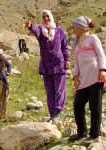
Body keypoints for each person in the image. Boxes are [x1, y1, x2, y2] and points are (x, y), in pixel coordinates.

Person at [25, 10, 70, 123]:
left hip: (59, 63)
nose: (45, 19)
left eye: (47, 16)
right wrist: (30, 27)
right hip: (46, 65)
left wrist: (67, 59)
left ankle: (57, 111)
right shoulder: (40, 30)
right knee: (49, 91)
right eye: (43, 17)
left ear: (51, 17)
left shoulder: (59, 31)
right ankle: (52, 114)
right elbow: (35, 30)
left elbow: (64, 46)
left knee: (59, 89)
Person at [69, 16, 106, 144]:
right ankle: (81, 131)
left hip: (96, 75)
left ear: (81, 27)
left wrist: (103, 70)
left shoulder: (93, 38)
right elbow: (77, 62)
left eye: (74, 27)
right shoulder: (77, 43)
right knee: (78, 104)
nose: (73, 29)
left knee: (94, 106)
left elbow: (101, 54)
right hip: (84, 78)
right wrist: (75, 76)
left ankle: (94, 134)